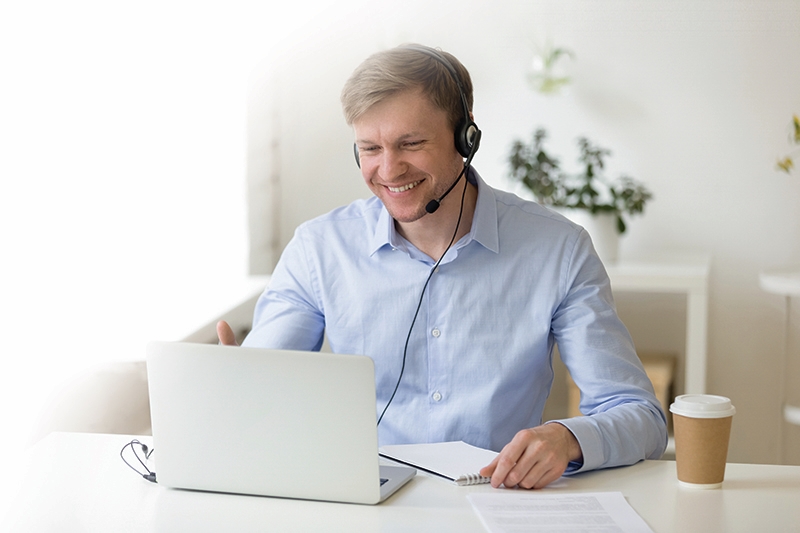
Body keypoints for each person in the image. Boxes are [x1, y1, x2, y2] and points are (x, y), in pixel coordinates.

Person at [217, 43, 667, 490]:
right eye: (369, 148)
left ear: (465, 137)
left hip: (496, 501)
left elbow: (642, 417)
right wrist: (232, 387)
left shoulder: (558, 249)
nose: (389, 170)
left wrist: (567, 438)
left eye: (411, 143)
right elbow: (261, 389)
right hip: (365, 502)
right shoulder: (319, 249)